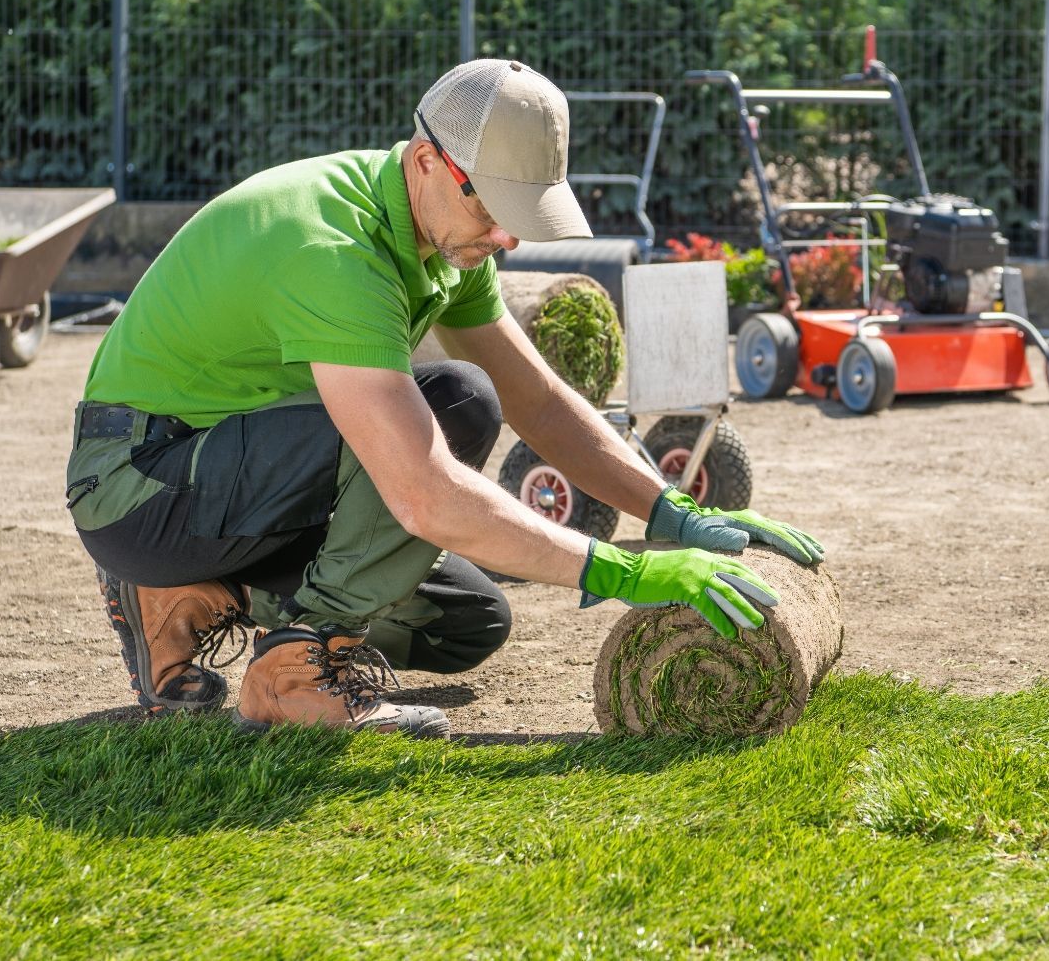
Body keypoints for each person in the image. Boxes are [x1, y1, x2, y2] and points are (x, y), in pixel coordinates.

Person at [65, 59, 823, 740]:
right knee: (455, 401)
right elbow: (422, 492)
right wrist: (624, 574)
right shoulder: (334, 249)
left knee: (468, 623)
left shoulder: (446, 233)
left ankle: (189, 595)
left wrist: (674, 515)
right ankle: (290, 672)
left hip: (234, 479)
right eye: (495, 211)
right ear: (428, 161)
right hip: (140, 485)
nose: (508, 239)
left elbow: (544, 404)